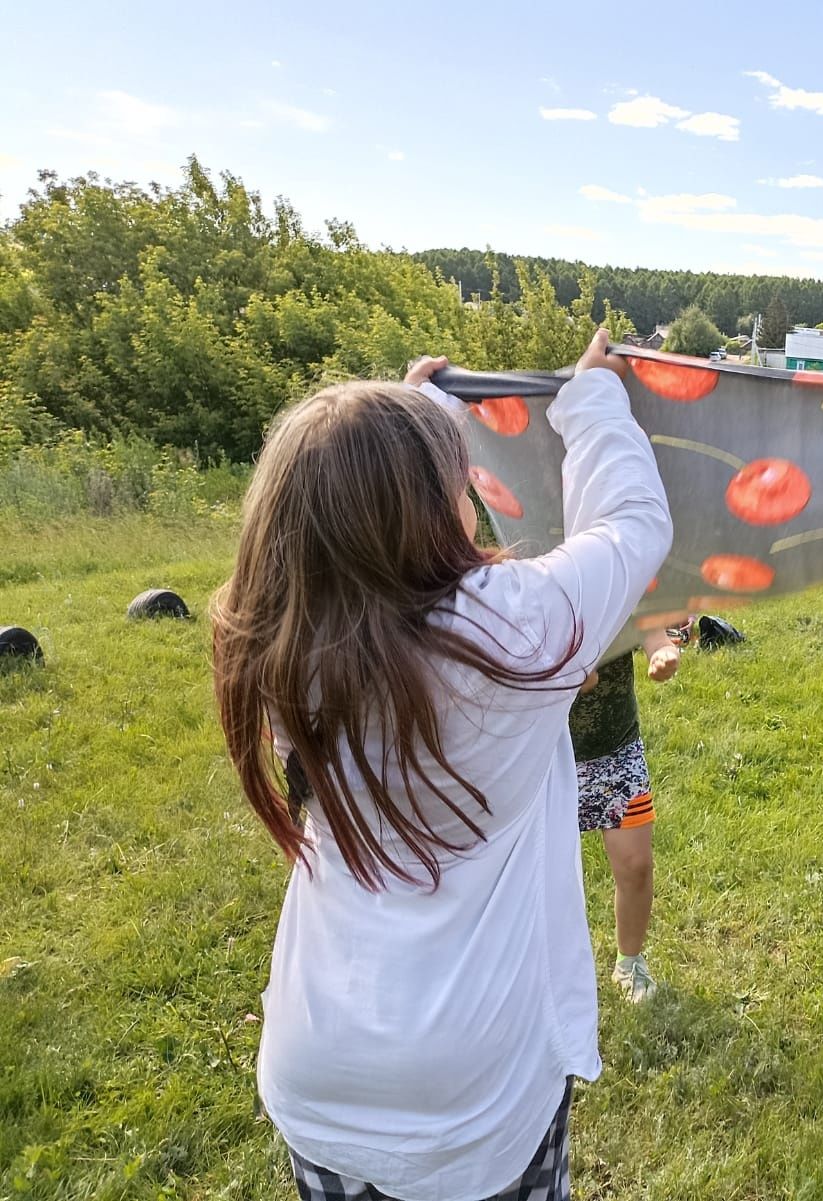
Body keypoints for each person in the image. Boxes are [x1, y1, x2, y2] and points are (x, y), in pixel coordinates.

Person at [211, 329, 671, 1201]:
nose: (471, 494)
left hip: (317, 1067)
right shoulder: (513, 633)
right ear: (427, 508)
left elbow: (345, 519)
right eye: (456, 483)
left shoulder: (276, 641)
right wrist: (593, 396)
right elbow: (634, 525)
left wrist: (411, 413)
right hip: (475, 1090)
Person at [570, 627, 682, 1002]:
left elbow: (649, 628)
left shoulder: (616, 578)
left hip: (616, 750)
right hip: (546, 755)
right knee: (541, 874)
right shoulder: (534, 580)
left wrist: (662, 652)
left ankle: (628, 961)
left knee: (635, 865)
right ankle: (540, 966)